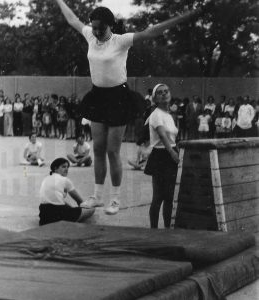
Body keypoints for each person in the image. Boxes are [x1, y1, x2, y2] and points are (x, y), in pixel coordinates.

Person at [55, 0, 204, 215]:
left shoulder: (121, 41)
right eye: (94, 27)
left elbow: (151, 32)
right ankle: (97, 196)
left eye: (100, 28)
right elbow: (72, 20)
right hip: (97, 96)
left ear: (110, 25)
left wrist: (183, 17)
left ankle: (114, 199)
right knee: (97, 149)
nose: (95, 31)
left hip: (118, 98)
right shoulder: (89, 35)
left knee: (112, 151)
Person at [144, 83, 179, 229]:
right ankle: (153, 230)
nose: (164, 94)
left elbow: (173, 139)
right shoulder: (156, 115)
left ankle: (167, 229)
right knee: (158, 197)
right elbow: (163, 136)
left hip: (171, 153)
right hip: (160, 156)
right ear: (155, 98)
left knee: (169, 197)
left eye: (166, 91)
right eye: (160, 93)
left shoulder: (169, 115)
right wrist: (173, 154)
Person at [39, 158, 95, 225]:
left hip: (44, 214)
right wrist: (80, 210)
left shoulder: (46, 179)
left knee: (62, 203)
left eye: (67, 167)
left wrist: (71, 209)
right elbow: (80, 201)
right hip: (59, 214)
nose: (66, 169)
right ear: (55, 168)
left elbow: (55, 200)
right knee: (91, 208)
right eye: (63, 167)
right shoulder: (65, 180)